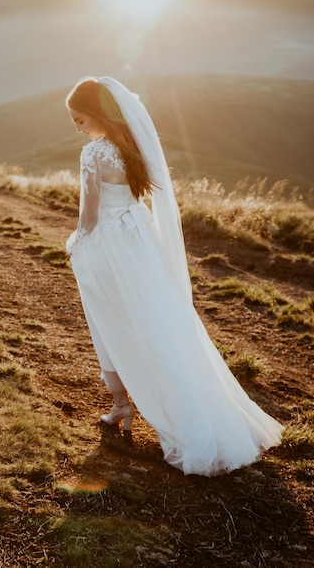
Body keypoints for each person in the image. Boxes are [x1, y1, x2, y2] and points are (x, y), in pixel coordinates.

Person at [65, 76, 283, 477]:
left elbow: (90, 215)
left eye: (79, 120)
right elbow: (138, 198)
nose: (77, 128)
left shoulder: (92, 154)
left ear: (96, 115)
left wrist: (76, 243)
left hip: (109, 248)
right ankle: (189, 406)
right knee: (159, 323)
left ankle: (121, 403)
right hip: (139, 242)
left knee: (108, 323)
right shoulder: (132, 146)